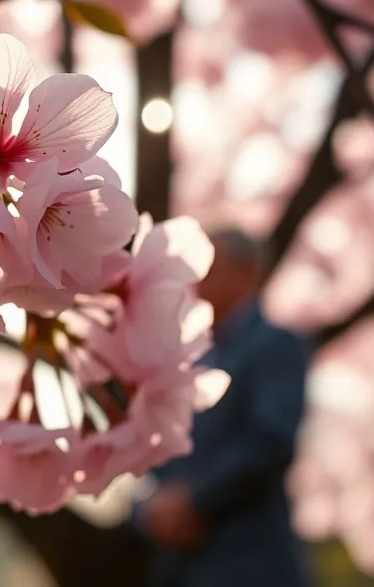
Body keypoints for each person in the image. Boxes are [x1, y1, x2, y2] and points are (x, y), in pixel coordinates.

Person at [133, 227, 312, 587]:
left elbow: (270, 440)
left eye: (211, 267)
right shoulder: (190, 355)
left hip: (250, 563)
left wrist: (194, 501)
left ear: (246, 274)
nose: (198, 279)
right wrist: (147, 511)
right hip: (182, 567)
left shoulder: (276, 344)